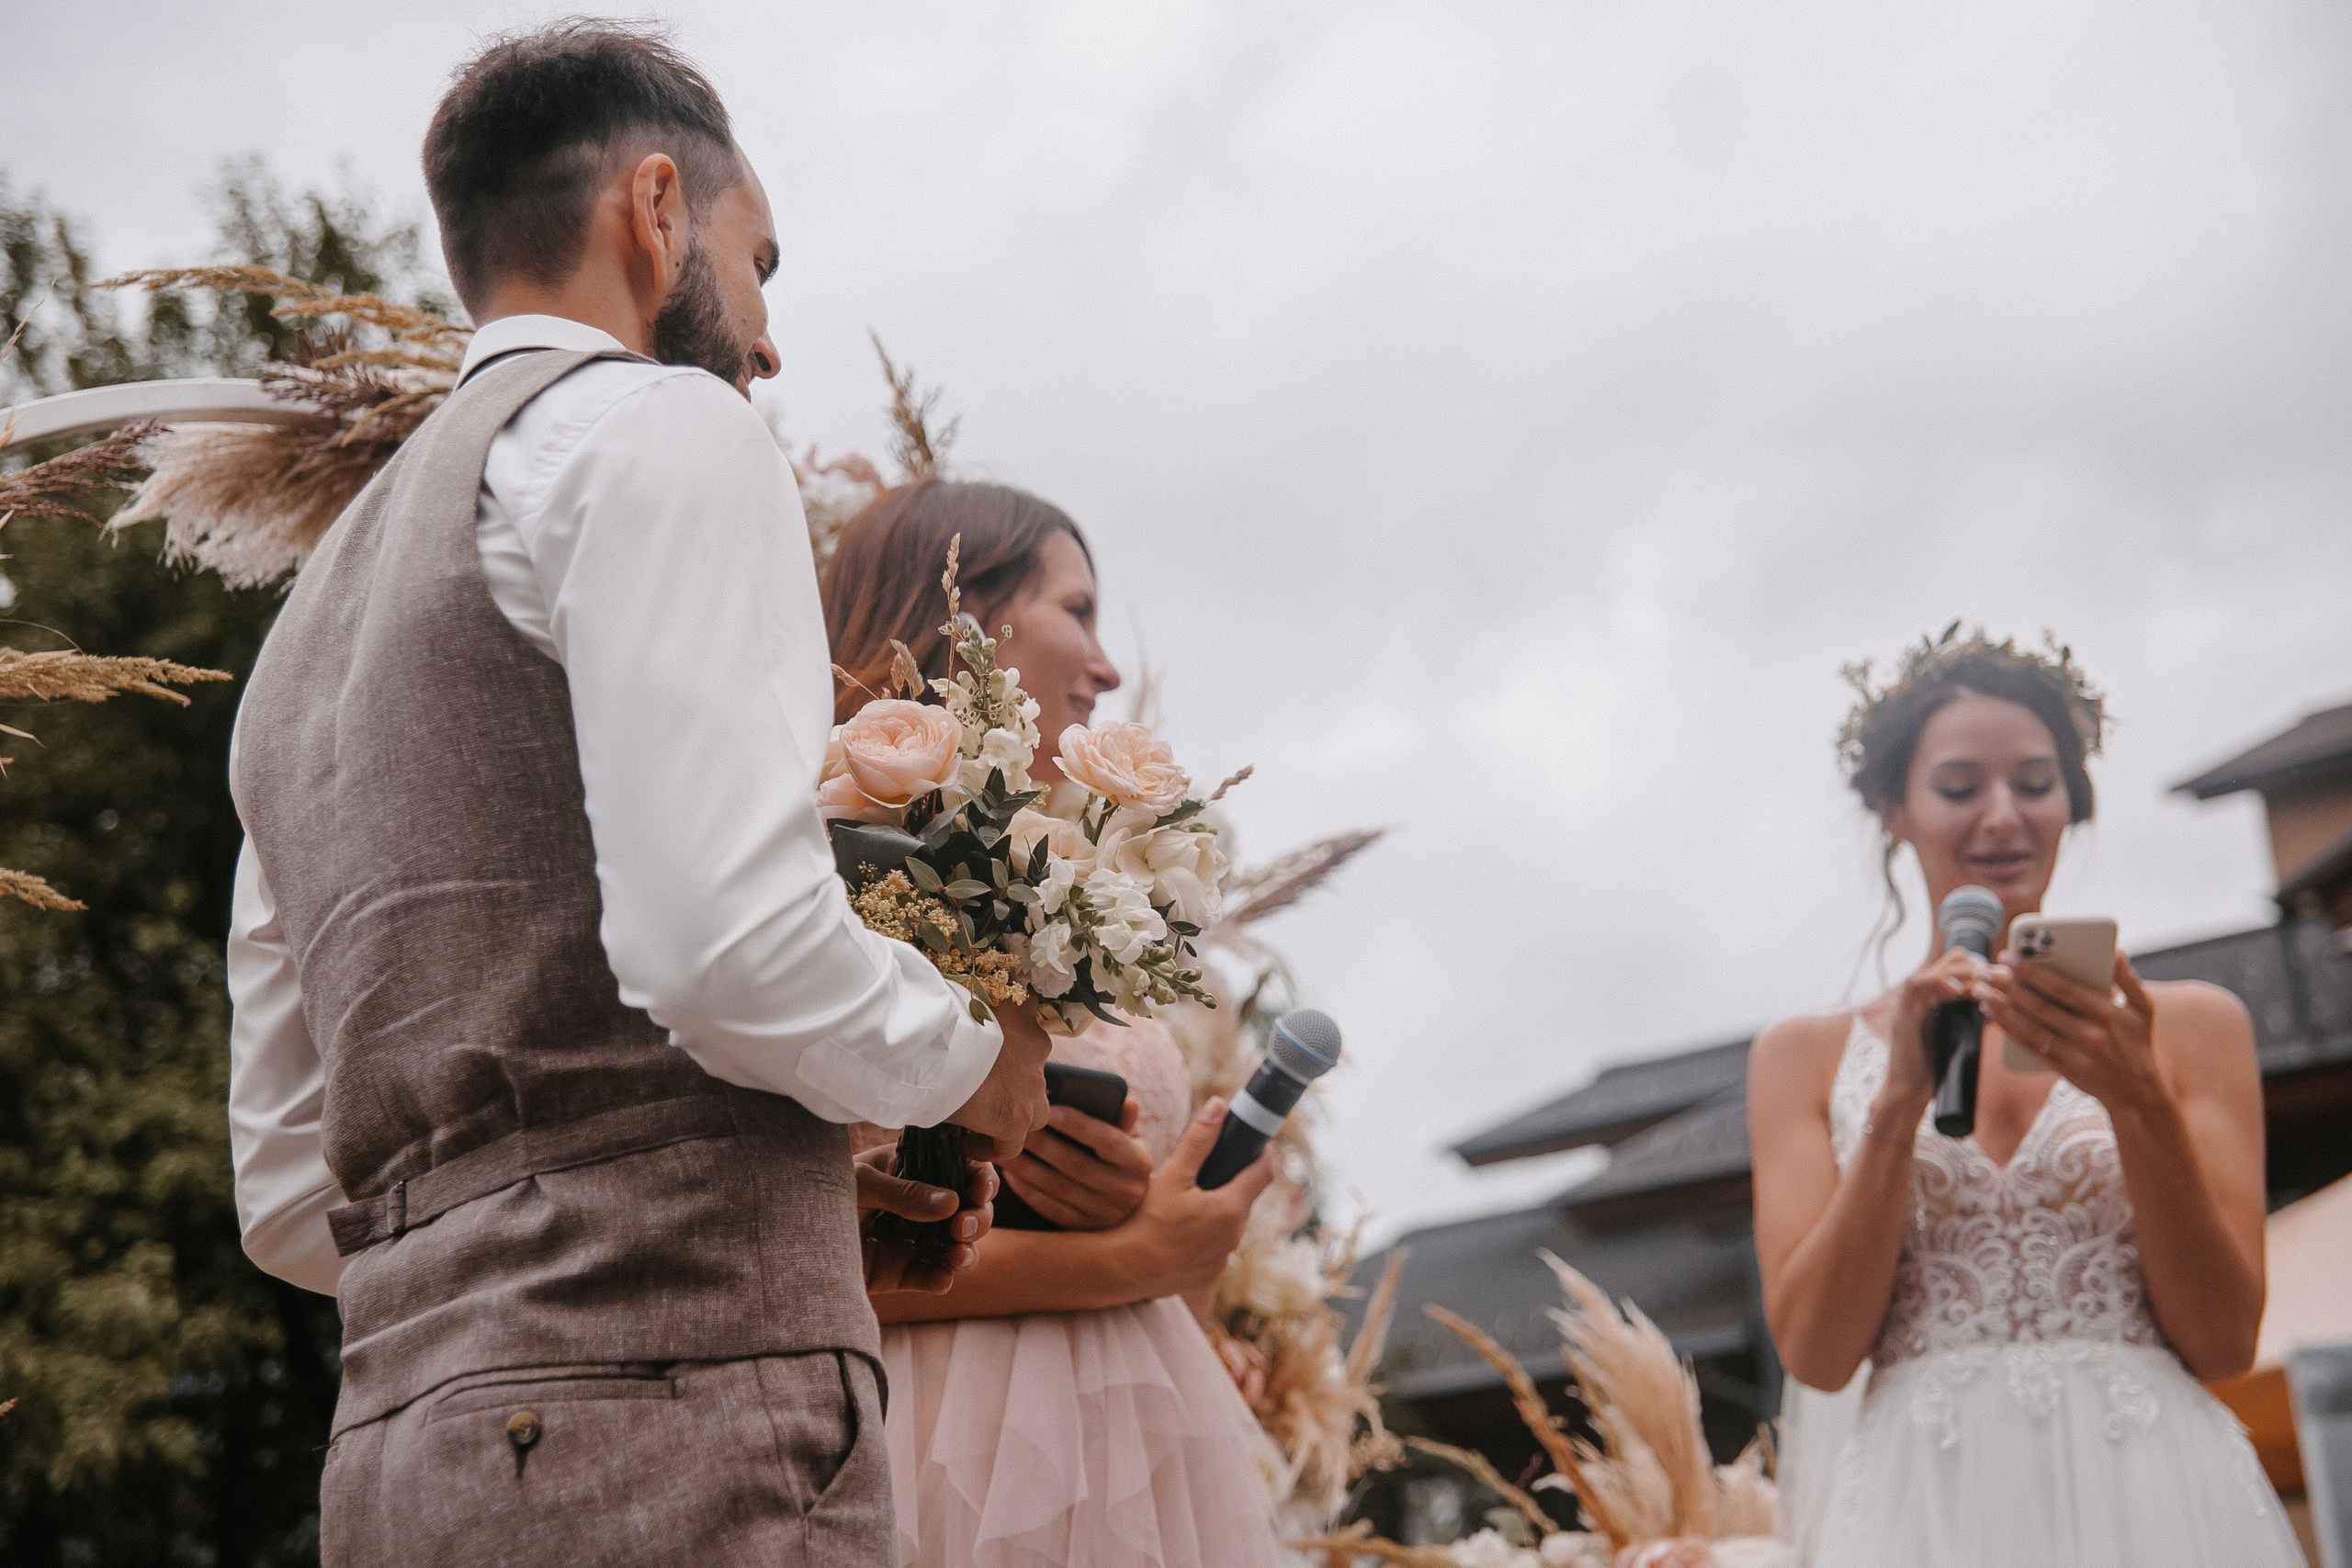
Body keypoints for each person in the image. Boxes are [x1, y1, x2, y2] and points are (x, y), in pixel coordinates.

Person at [223, 24, 1053, 1567]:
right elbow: (722, 951)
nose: (767, 336)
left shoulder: (296, 637)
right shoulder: (660, 429)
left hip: (396, 1466)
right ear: (657, 209)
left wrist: (793, 1169)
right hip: (675, 1431)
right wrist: (969, 1065)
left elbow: (287, 1188)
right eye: (762, 261)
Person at [1747, 630, 2305, 1567]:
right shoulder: (1801, 1058)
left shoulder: (2191, 1028)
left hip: (2157, 1505)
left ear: (2072, 802)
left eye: (2036, 784)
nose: (2002, 818)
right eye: (1960, 788)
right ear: (1894, 809)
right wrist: (1894, 1108)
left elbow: (2219, 1342)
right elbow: (1816, 1355)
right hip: (1924, 1513)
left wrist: (2140, 1104)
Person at [823, 479, 1288, 1568]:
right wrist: (1136, 1257)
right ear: (974, 624)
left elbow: (1173, 1254)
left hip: (1144, 1440)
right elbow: (818, 1253)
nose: (1108, 664)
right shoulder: (843, 866)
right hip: (947, 1449)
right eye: (1077, 611)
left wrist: (1160, 1220)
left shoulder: (1088, 884)